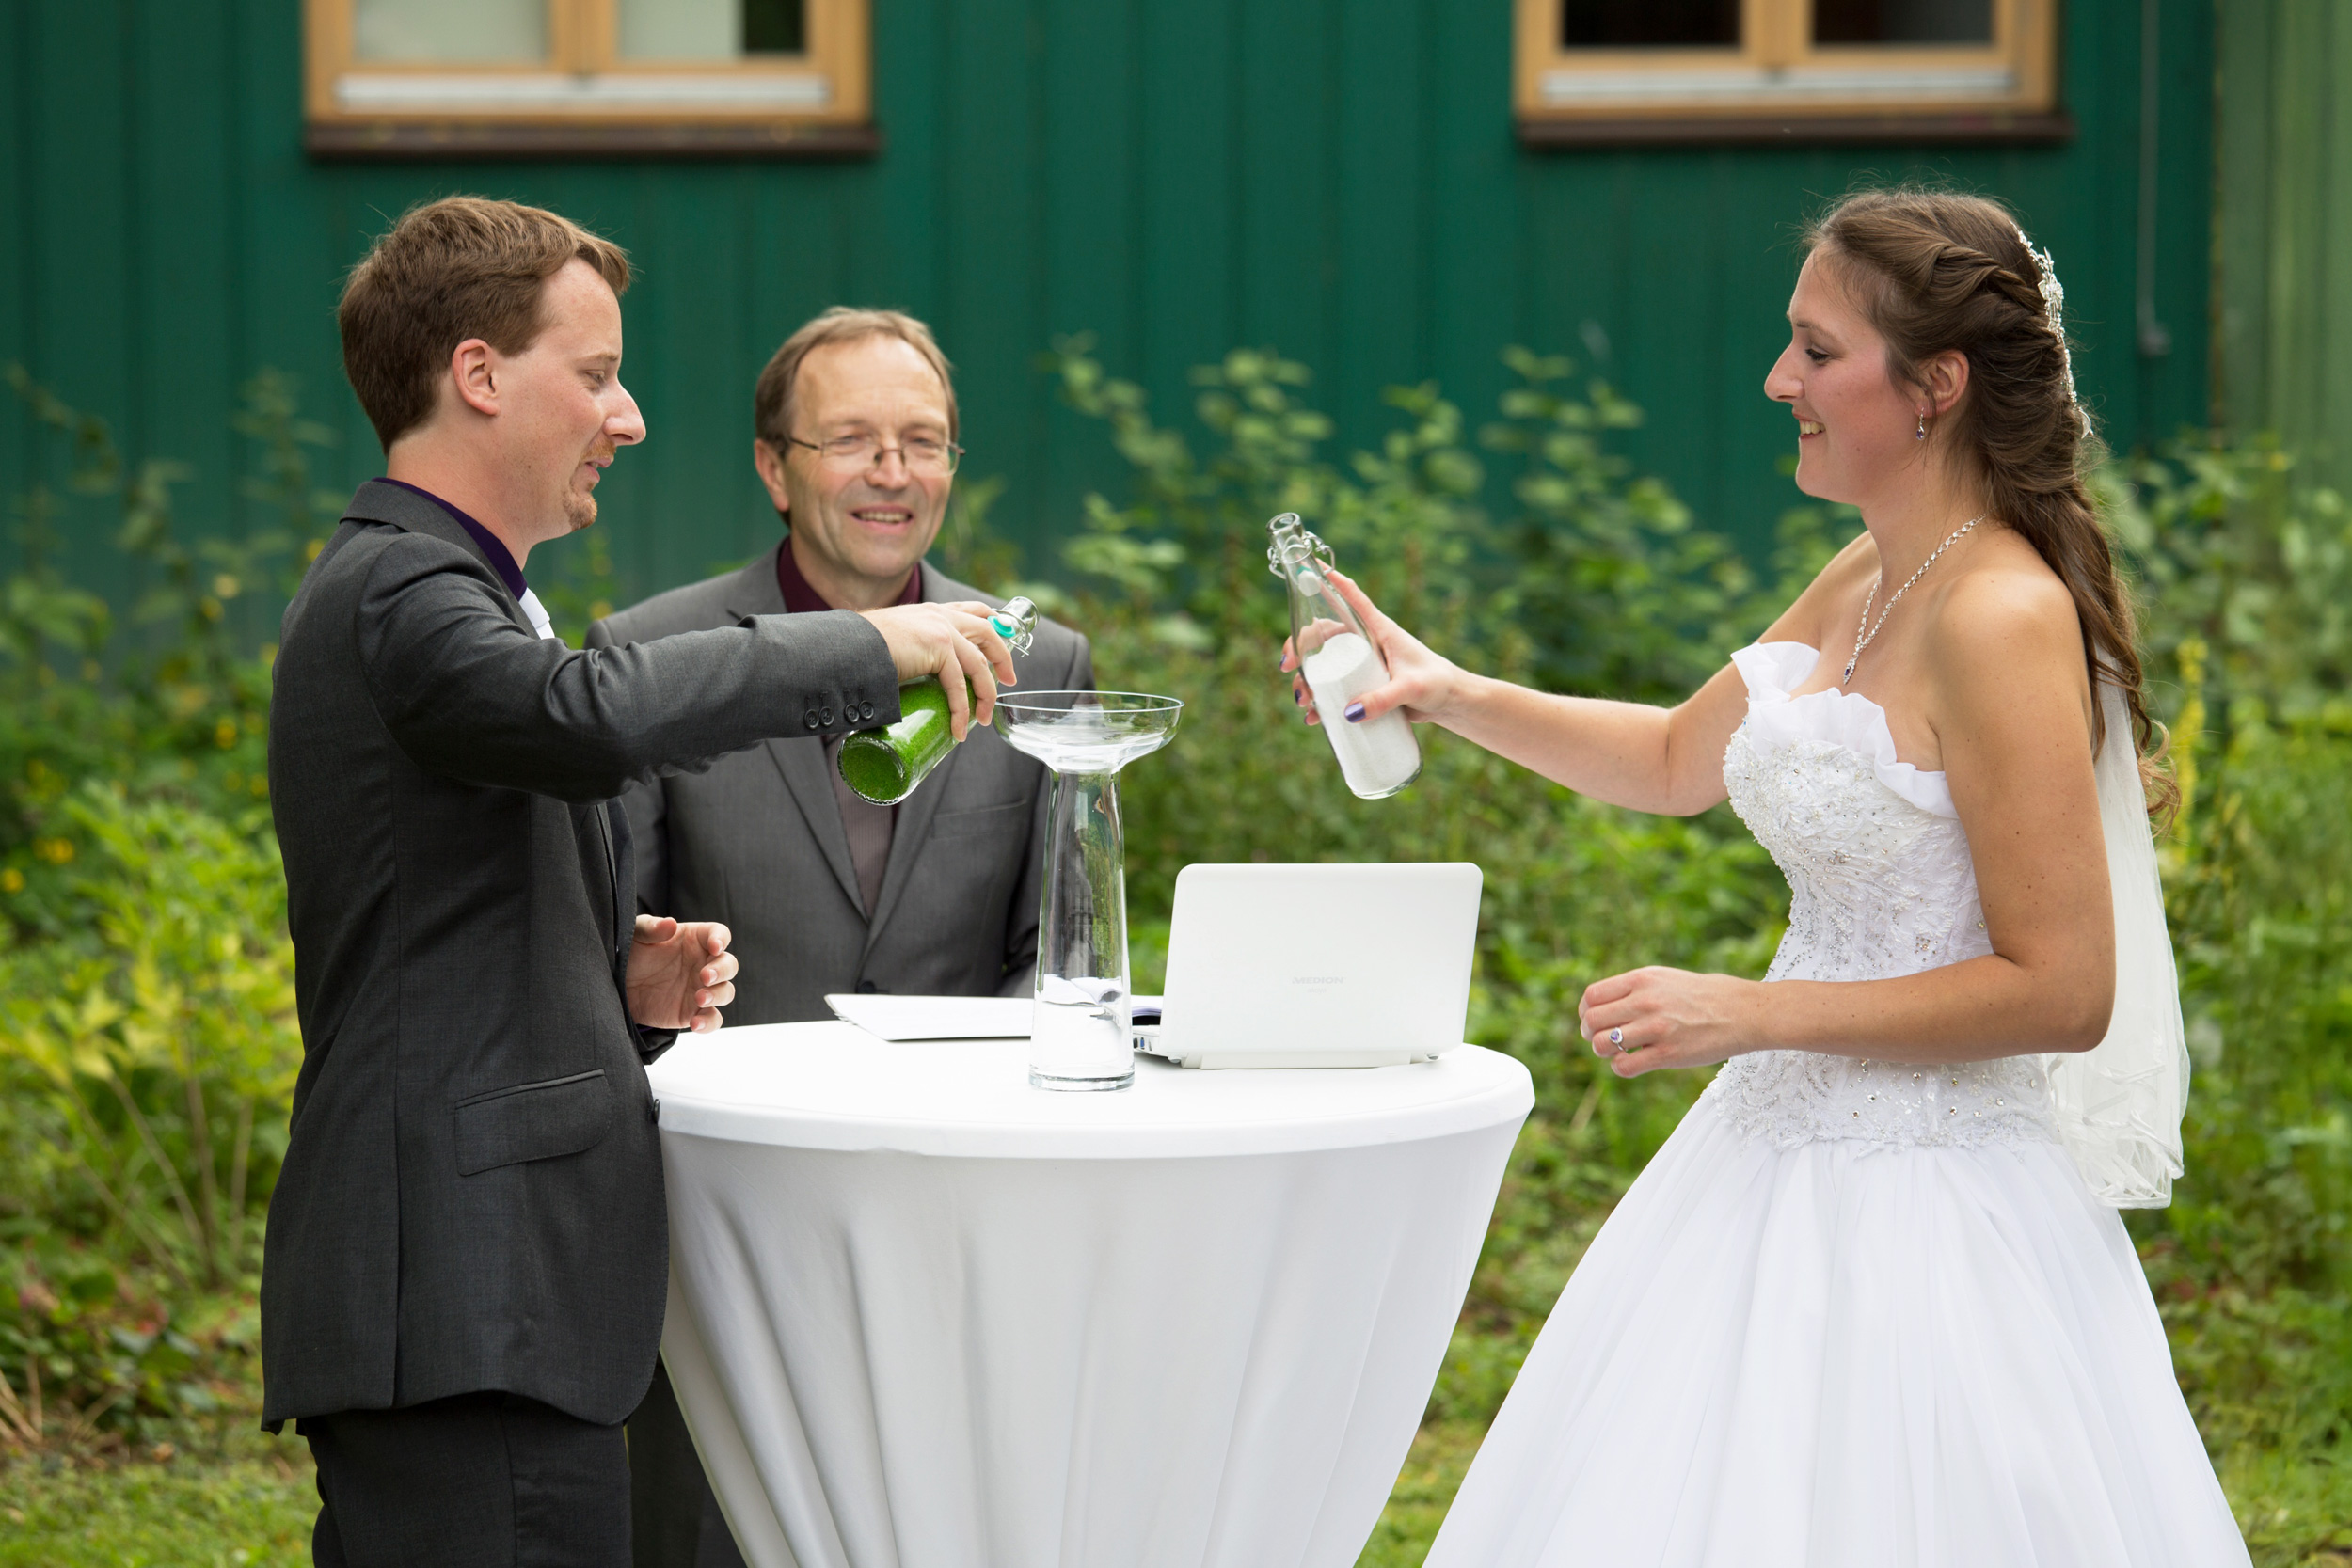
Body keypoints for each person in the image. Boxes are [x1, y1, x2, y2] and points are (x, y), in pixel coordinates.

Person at [1295, 189, 2250, 1564]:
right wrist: (1441, 693)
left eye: (1814, 349)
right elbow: (1682, 757)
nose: (1777, 379)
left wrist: (1754, 1012)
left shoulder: (2000, 614)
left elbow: (2064, 989)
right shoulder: (1874, 569)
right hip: (1766, 1161)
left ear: (1934, 386)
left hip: (1935, 1206)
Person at [262, 198, 1019, 1568]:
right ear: (480, 376)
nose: (630, 418)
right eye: (598, 374)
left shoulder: (450, 596)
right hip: (459, 1307)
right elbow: (588, 716)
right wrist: (867, 648)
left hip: (496, 1312)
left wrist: (610, 983)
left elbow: (438, 925)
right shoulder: (404, 593)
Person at [586, 308, 1090, 1568]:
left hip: (961, 1195)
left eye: (923, 442)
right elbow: (611, 946)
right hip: (723, 1212)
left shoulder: (1042, 660)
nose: (892, 472)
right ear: (775, 467)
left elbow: (1060, 943)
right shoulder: (655, 658)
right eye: (852, 439)